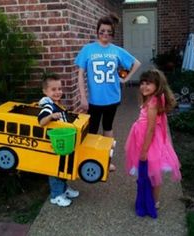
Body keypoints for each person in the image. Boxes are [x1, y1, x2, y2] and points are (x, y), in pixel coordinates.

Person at [75, 13, 141, 171]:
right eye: (102, 31)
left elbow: (135, 63)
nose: (105, 34)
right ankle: (90, 159)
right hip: (94, 100)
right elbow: (80, 74)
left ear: (112, 34)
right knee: (92, 130)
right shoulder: (88, 49)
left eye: (109, 32)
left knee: (108, 128)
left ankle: (106, 160)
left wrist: (124, 78)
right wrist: (83, 97)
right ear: (97, 31)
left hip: (112, 97)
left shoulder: (116, 51)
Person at [125, 69, 182, 209]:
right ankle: (149, 197)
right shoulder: (151, 99)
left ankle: (154, 201)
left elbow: (150, 128)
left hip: (149, 141)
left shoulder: (153, 104)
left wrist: (144, 151)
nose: (144, 86)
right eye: (142, 83)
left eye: (149, 83)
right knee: (150, 172)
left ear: (158, 85)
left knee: (154, 173)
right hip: (142, 138)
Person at [38, 73, 79, 207]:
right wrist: (51, 116)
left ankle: (64, 189)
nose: (58, 92)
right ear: (45, 91)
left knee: (63, 166)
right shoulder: (48, 106)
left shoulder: (57, 104)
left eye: (59, 89)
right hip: (53, 143)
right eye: (53, 89)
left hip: (61, 142)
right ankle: (56, 195)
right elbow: (41, 121)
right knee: (55, 169)